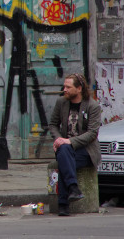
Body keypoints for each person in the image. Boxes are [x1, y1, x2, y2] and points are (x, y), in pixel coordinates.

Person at [49, 73, 101, 217]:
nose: (64, 89)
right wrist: (59, 139)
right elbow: (53, 125)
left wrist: (69, 141)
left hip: (86, 151)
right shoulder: (61, 103)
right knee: (64, 153)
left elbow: (92, 133)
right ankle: (73, 188)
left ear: (79, 89)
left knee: (64, 160)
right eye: (64, 86)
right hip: (65, 148)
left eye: (68, 87)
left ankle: (63, 205)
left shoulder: (92, 106)